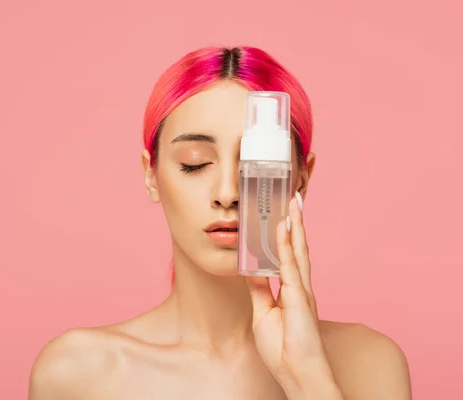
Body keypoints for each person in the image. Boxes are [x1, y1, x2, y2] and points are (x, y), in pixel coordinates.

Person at [28, 46, 412, 399]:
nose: (228, 192)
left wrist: (307, 377)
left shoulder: (370, 364)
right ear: (151, 175)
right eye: (194, 162)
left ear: (302, 178)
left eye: (257, 165)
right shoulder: (78, 373)